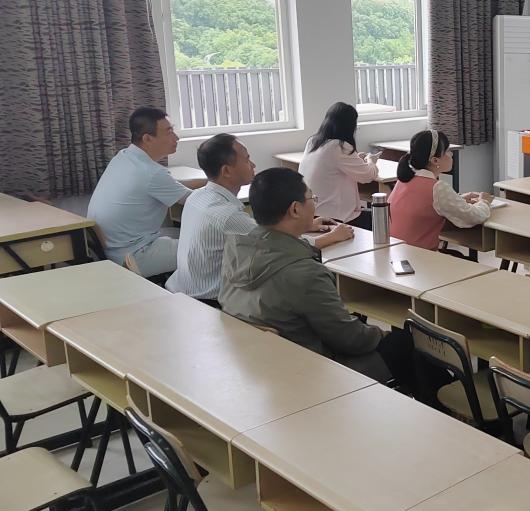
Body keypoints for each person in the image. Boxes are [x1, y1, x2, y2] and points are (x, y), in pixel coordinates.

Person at [218, 168, 419, 393]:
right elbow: (351, 340)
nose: (314, 204)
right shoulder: (305, 273)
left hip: (262, 365)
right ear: (295, 209)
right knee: (406, 343)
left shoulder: (236, 251)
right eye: (312, 199)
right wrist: (381, 333)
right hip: (315, 373)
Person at [167, 135, 354, 308]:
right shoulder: (228, 216)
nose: (253, 164)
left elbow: (261, 232)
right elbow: (280, 245)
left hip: (182, 290)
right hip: (209, 303)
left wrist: (307, 225)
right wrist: (332, 237)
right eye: (247, 159)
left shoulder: (198, 196)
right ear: (227, 171)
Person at [87, 107, 191, 278]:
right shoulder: (152, 173)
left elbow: (172, 188)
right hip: (134, 257)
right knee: (210, 248)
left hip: (112, 252)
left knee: (182, 235)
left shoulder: (123, 157)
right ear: (147, 139)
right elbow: (197, 202)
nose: (176, 138)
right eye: (169, 132)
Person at [388, 130, 493, 250]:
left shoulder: (404, 179)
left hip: (398, 252)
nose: (451, 154)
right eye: (447, 151)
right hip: (421, 256)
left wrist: (459, 199)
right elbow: (473, 217)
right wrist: (484, 202)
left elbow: (423, 204)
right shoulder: (437, 187)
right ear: (435, 160)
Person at [298, 102, 380, 229]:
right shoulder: (339, 146)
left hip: (311, 214)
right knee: (382, 216)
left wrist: (356, 159)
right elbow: (368, 176)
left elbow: (334, 165)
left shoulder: (313, 142)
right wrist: (371, 160)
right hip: (334, 218)